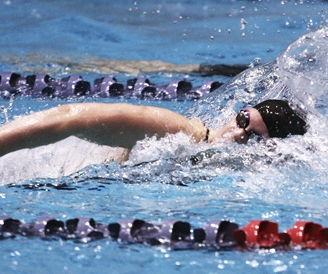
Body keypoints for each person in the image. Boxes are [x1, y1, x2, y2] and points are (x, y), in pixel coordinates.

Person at [0, 99, 307, 161]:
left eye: (254, 137)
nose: (240, 134)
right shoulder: (177, 131)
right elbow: (71, 116)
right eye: (243, 121)